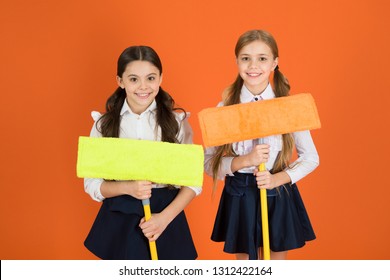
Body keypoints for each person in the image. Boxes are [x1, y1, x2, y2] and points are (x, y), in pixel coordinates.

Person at [204, 30, 319, 260]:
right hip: (239, 193)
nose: (253, 65)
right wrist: (245, 161)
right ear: (236, 61)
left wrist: (277, 179)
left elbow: (311, 158)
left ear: (274, 63)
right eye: (246, 58)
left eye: (262, 58)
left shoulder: (288, 106)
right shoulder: (224, 108)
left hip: (276, 189)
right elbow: (208, 164)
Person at [83, 45, 200, 260]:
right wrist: (128, 187)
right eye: (134, 79)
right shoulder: (104, 125)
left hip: (164, 216)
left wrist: (163, 219)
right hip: (120, 218)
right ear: (120, 81)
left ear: (160, 78)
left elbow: (193, 182)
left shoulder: (176, 124)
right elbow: (91, 184)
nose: (143, 87)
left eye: (151, 78)